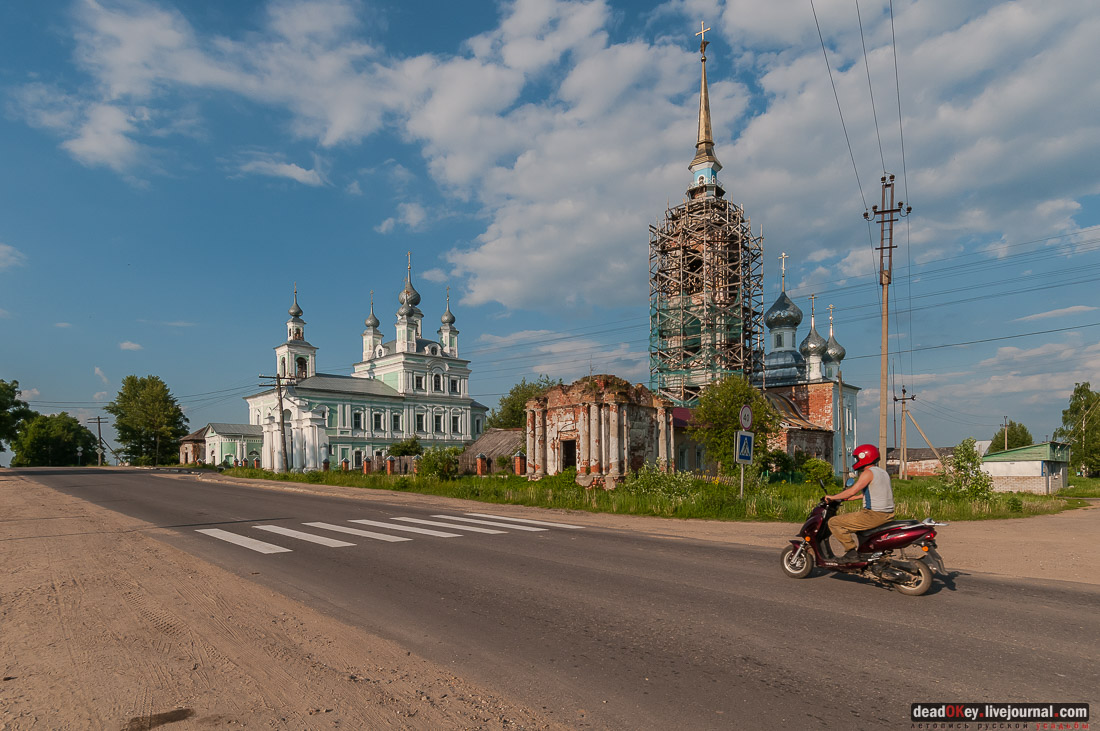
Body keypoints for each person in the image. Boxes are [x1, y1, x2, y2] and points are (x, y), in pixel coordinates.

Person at [824, 444, 895, 563]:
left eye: (857, 458)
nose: (856, 461)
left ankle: (851, 553)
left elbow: (852, 490)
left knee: (834, 522)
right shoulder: (882, 473)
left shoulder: (868, 473)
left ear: (864, 457)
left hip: (873, 515)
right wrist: (852, 498)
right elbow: (872, 493)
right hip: (887, 514)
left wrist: (832, 497)